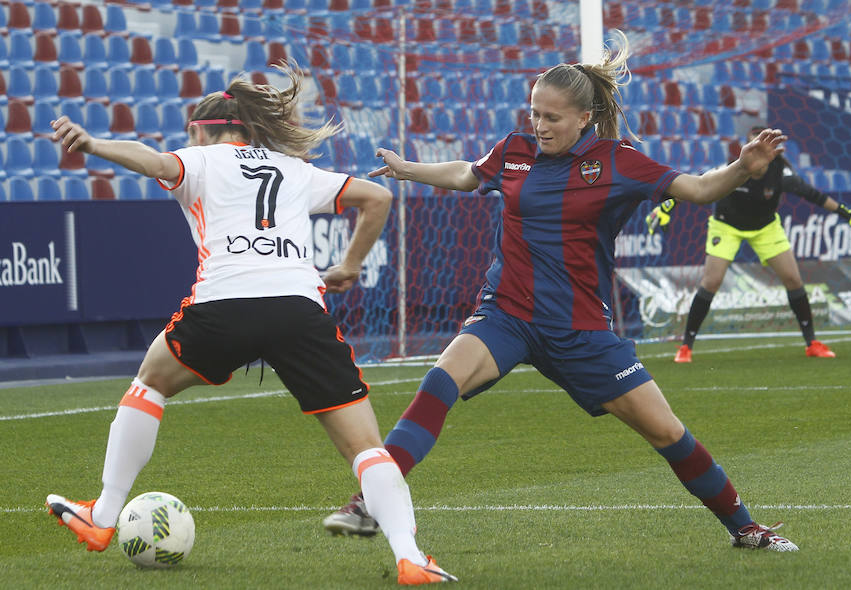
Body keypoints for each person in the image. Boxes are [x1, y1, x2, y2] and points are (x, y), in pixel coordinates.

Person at [323, 32, 798, 552]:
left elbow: (701, 189)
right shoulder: (515, 151)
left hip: (579, 329)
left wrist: (741, 169)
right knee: (440, 380)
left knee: (667, 433)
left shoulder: (619, 161)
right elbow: (466, 173)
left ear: (583, 120)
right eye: (534, 114)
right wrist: (409, 169)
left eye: (552, 118)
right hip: (506, 313)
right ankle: (372, 502)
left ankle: (745, 527)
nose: (540, 126)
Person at [43, 64, 456, 585]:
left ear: (205, 130)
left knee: (149, 383)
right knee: (366, 448)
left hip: (224, 305)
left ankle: (103, 517)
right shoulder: (293, 167)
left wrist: (94, 144)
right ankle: (411, 557)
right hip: (297, 310)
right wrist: (349, 265)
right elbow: (378, 198)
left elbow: (149, 160)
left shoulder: (198, 159)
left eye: (191, 132)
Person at [645, 125, 851, 363]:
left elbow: (814, 195)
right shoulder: (732, 170)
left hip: (765, 227)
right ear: (745, 149)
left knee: (793, 280)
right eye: (753, 146)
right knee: (711, 282)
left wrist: (848, 214)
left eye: (763, 147)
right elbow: (699, 185)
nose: (758, 152)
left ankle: (812, 343)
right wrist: (667, 206)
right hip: (727, 227)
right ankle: (686, 346)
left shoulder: (781, 173)